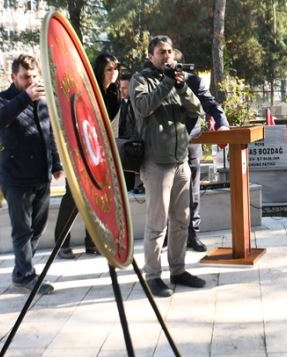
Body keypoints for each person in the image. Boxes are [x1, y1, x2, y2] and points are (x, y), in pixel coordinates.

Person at [132, 36, 205, 297]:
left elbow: (197, 108)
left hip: (180, 160)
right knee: (157, 223)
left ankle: (178, 269)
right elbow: (143, 106)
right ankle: (152, 274)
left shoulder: (177, 81)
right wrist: (166, 83)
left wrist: (182, 87)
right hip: (156, 163)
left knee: (182, 220)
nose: (167, 56)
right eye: (161, 52)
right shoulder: (142, 80)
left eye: (170, 52)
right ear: (151, 56)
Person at [0, 55, 64, 294]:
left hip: (40, 175)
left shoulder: (41, 101)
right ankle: (26, 276)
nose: (30, 81)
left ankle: (21, 271)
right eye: (24, 77)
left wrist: (56, 164)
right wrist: (24, 98)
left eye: (33, 76)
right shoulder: (1, 100)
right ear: (13, 77)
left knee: (37, 228)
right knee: (22, 229)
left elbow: (48, 133)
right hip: (16, 177)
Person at [55, 52, 121, 259]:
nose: (113, 74)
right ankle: (62, 243)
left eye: (115, 69)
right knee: (73, 196)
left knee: (97, 195)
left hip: (99, 150)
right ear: (100, 71)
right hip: (80, 147)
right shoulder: (88, 90)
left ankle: (93, 242)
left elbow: (108, 118)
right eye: (109, 70)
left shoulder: (114, 92)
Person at [173, 49, 230, 252]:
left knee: (193, 191)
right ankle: (168, 235)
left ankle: (193, 234)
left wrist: (222, 123)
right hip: (167, 144)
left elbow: (211, 104)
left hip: (190, 142)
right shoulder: (157, 82)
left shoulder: (195, 82)